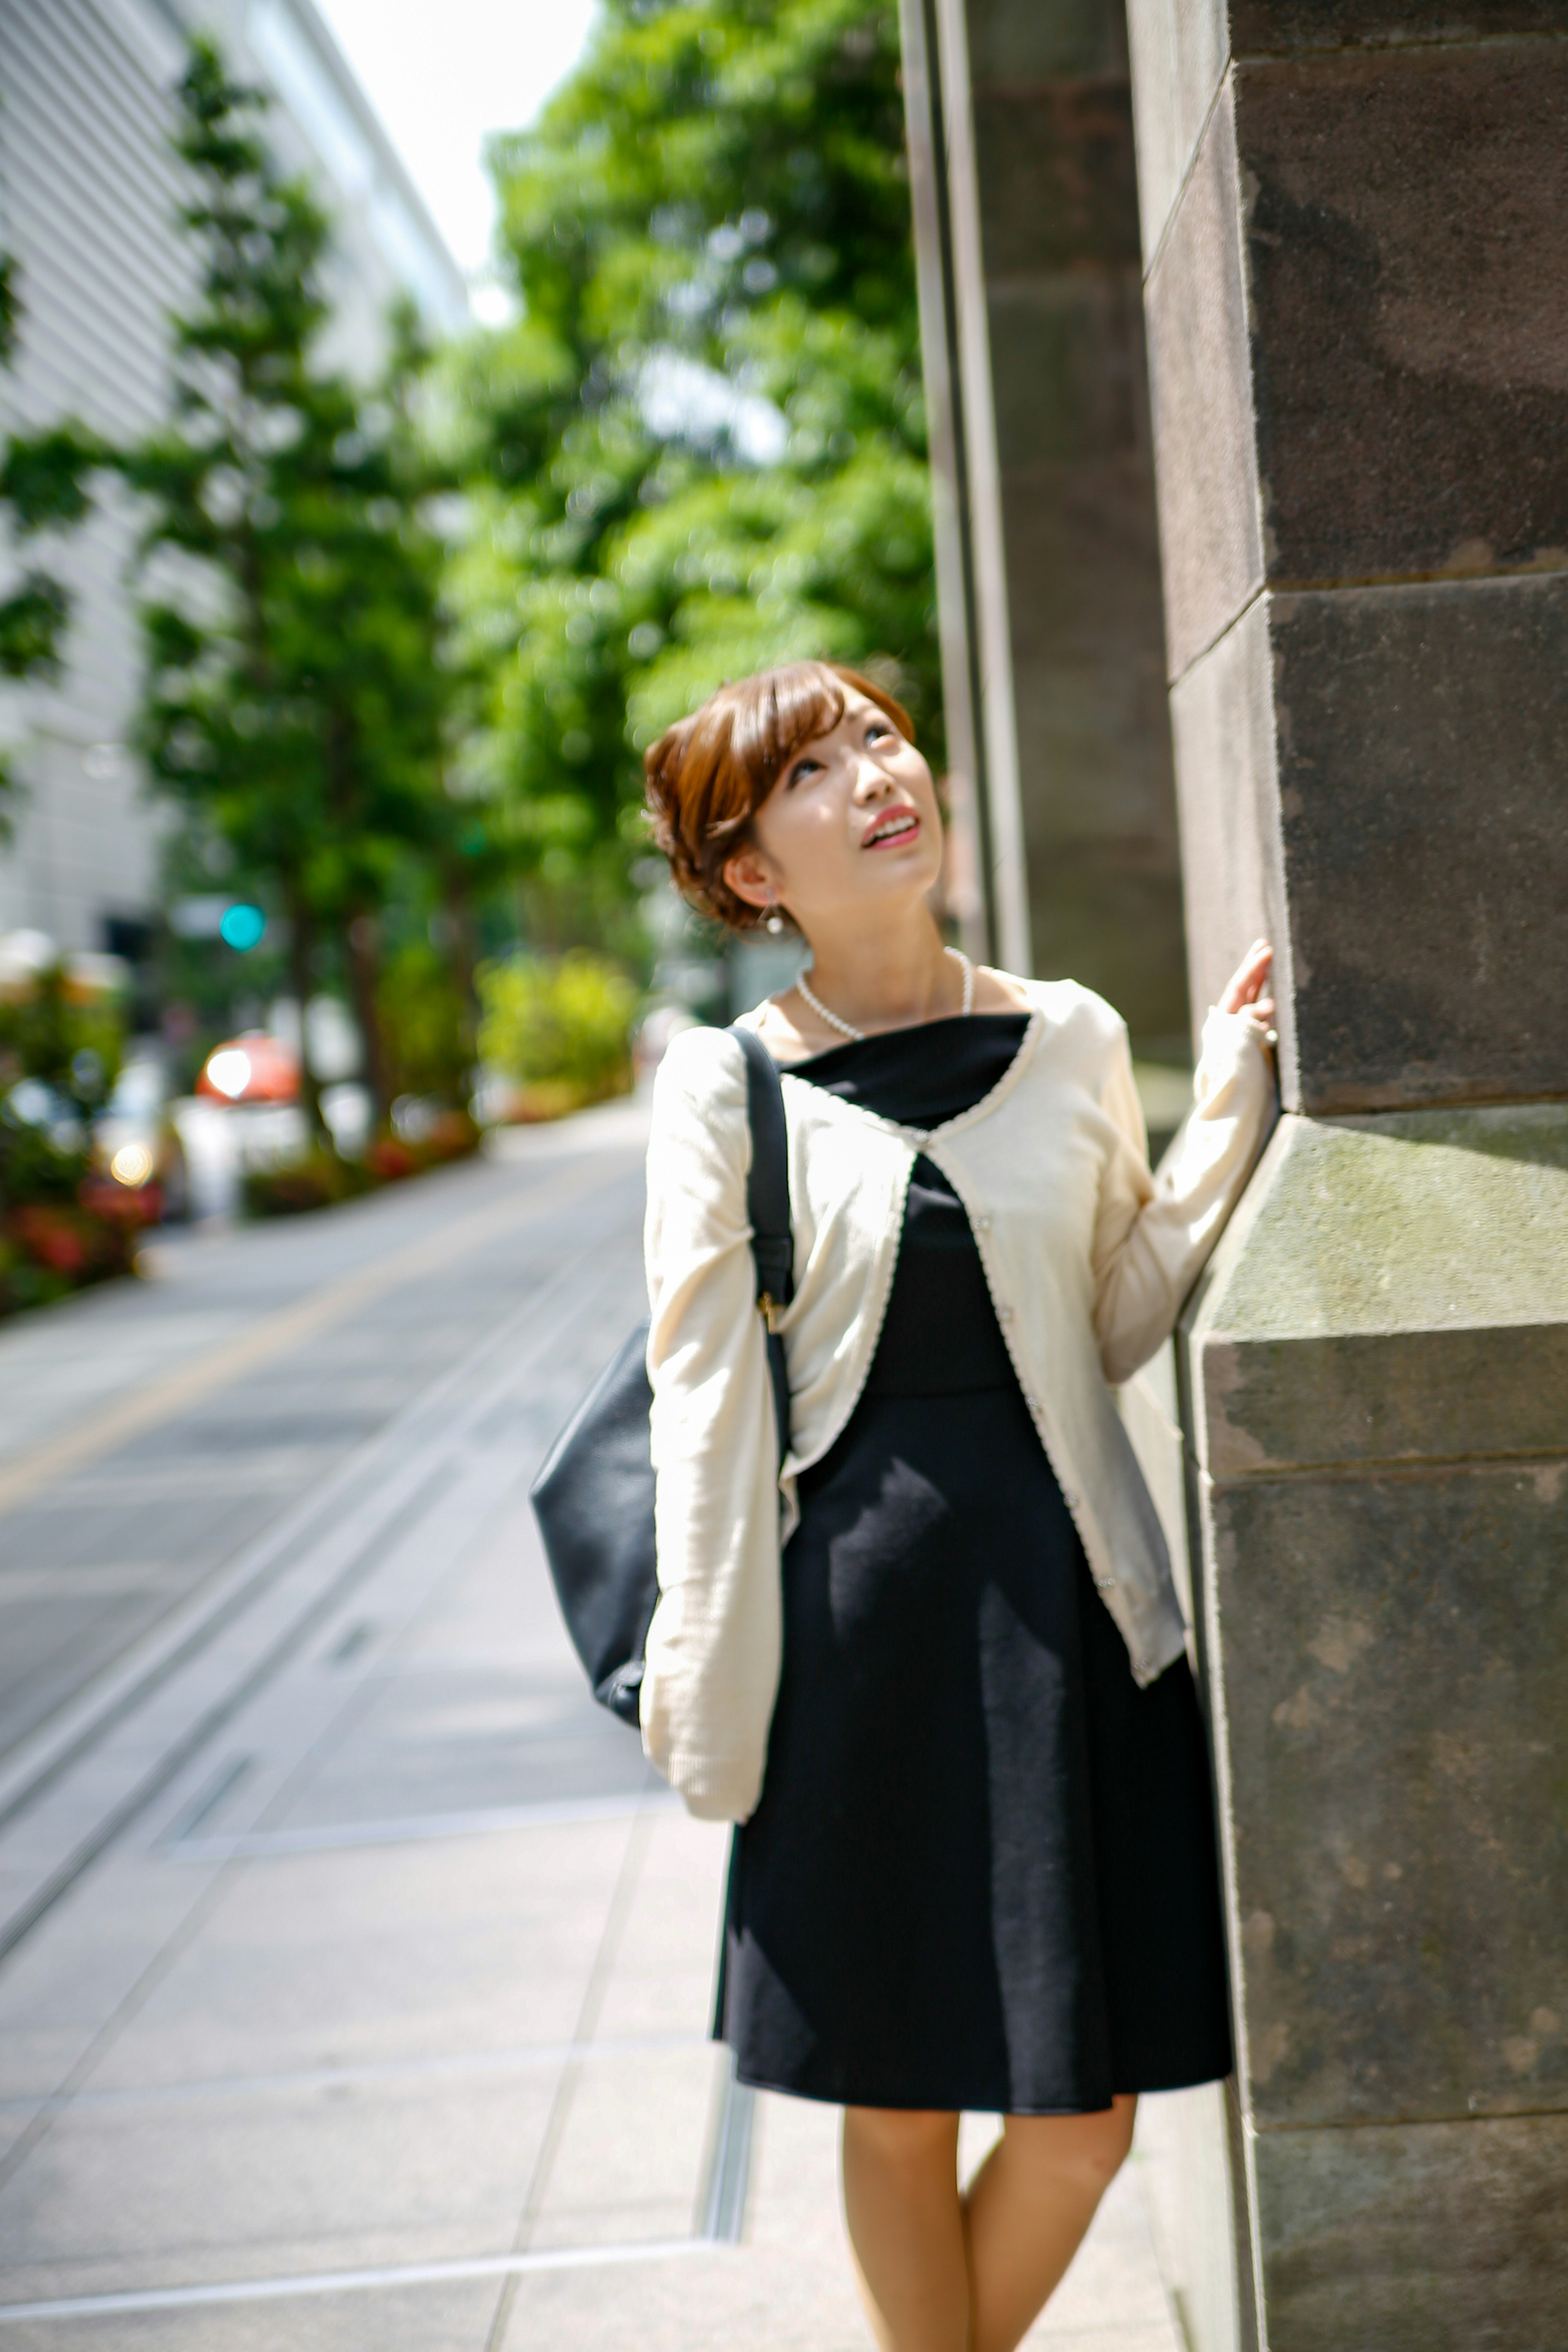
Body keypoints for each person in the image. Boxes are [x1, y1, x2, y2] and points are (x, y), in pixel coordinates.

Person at [639, 661, 1275, 2352]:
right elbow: (701, 1399)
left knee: (1083, 2122)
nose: (873, 775)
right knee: (902, 2097)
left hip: (1069, 1612)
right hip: (862, 1632)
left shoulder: (1067, 1034)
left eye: (877, 739)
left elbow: (1110, 1320)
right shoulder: (728, 1088)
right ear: (753, 872)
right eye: (812, 771)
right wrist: (709, 1695)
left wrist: (1222, 1120)